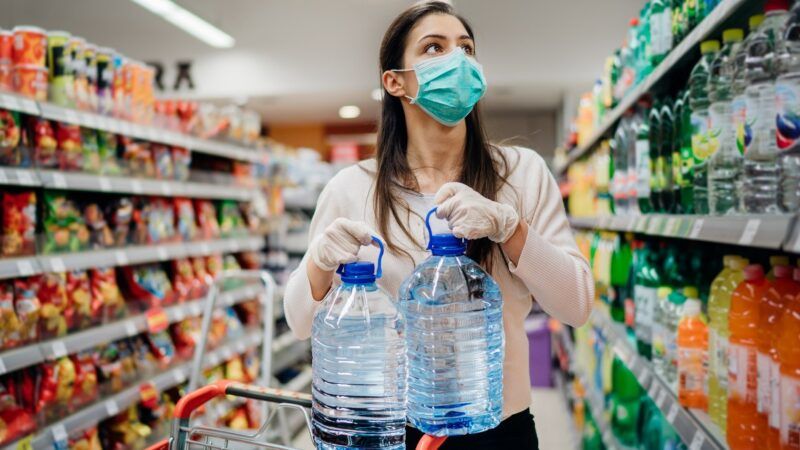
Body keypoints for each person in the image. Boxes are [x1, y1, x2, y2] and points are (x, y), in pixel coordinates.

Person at [283, 2, 593, 448]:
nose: (457, 61)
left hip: (497, 429)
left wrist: (511, 229)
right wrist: (318, 264)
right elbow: (298, 323)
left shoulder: (521, 173)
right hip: (386, 428)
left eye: (466, 49)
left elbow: (577, 305)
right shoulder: (351, 189)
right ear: (395, 81)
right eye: (434, 48)